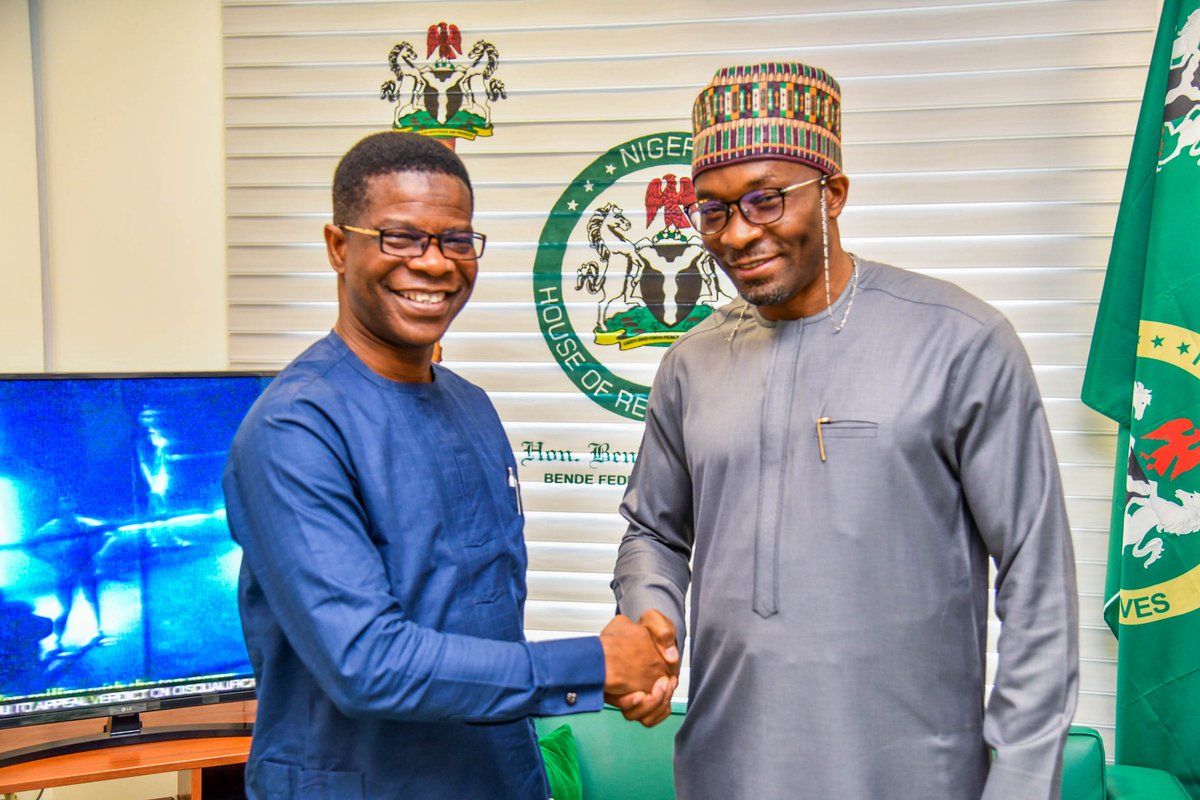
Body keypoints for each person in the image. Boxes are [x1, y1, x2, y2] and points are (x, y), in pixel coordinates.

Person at [611, 62, 1079, 799]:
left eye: (766, 201)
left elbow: (1037, 579)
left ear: (832, 193)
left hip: (913, 777)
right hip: (723, 773)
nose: (738, 234)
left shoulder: (960, 342)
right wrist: (651, 612)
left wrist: (1020, 782)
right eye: (713, 211)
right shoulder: (691, 362)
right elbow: (654, 531)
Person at [223, 131, 677, 800]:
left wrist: (624, 675)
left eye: (456, 240)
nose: (434, 264)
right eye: (400, 238)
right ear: (337, 246)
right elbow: (367, 662)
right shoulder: (295, 429)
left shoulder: (472, 407)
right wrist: (598, 663)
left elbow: (482, 626)